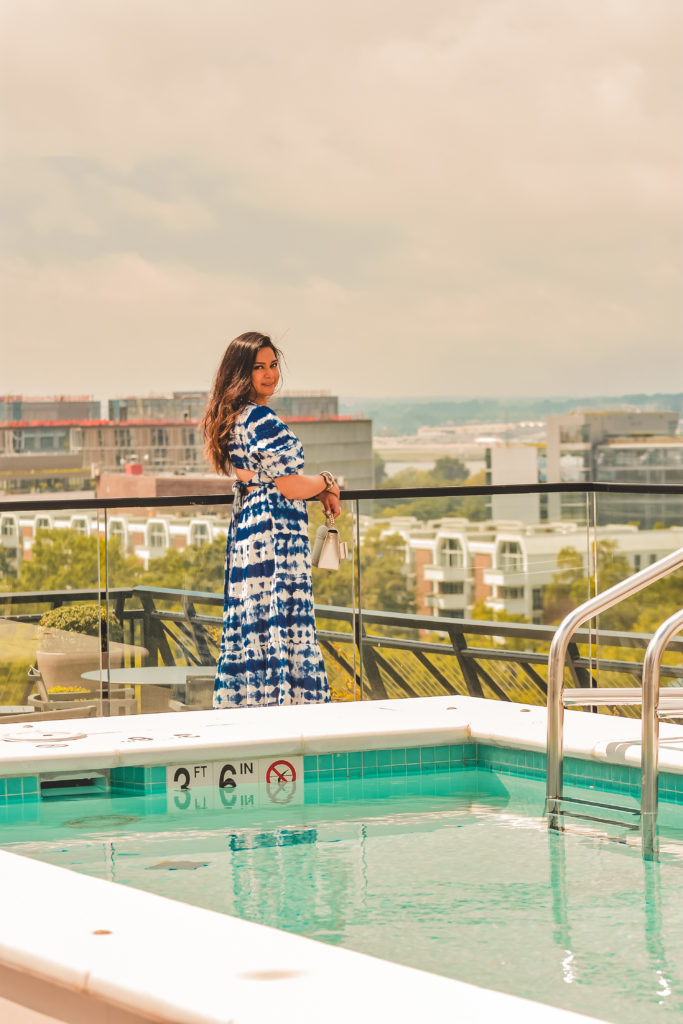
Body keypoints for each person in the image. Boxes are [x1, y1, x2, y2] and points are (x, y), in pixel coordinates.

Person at [201, 331, 341, 708]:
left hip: (251, 525)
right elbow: (292, 486)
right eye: (258, 367)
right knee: (283, 620)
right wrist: (327, 481)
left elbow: (261, 478)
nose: (269, 374)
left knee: (258, 622)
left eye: (273, 365)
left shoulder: (235, 417)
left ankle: (254, 708)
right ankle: (290, 711)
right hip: (275, 529)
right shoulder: (261, 419)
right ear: (239, 374)